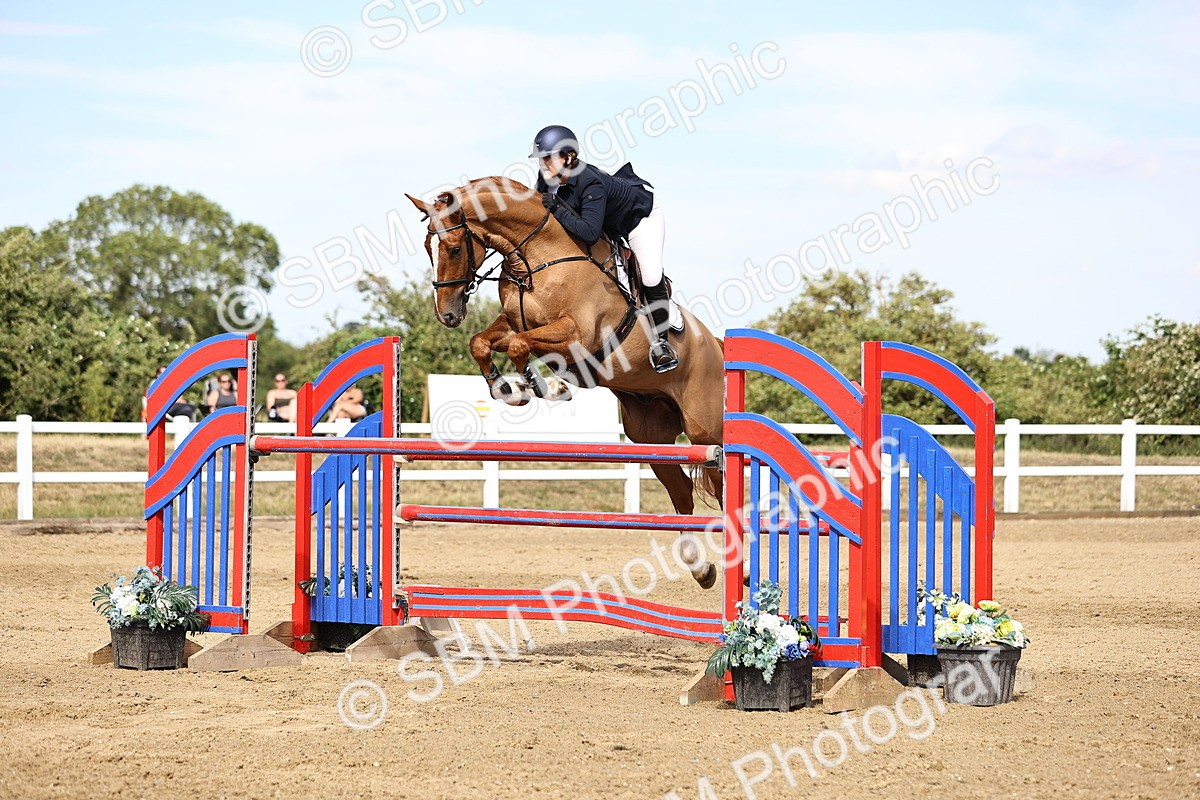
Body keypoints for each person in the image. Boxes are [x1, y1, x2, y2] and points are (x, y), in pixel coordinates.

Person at [530, 124, 678, 373]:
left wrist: (555, 207)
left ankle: (662, 343)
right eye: (541, 159)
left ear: (568, 157)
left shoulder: (590, 182)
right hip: (602, 223)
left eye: (548, 158)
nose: (543, 165)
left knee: (651, 275)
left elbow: (587, 231)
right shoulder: (547, 181)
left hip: (638, 220)